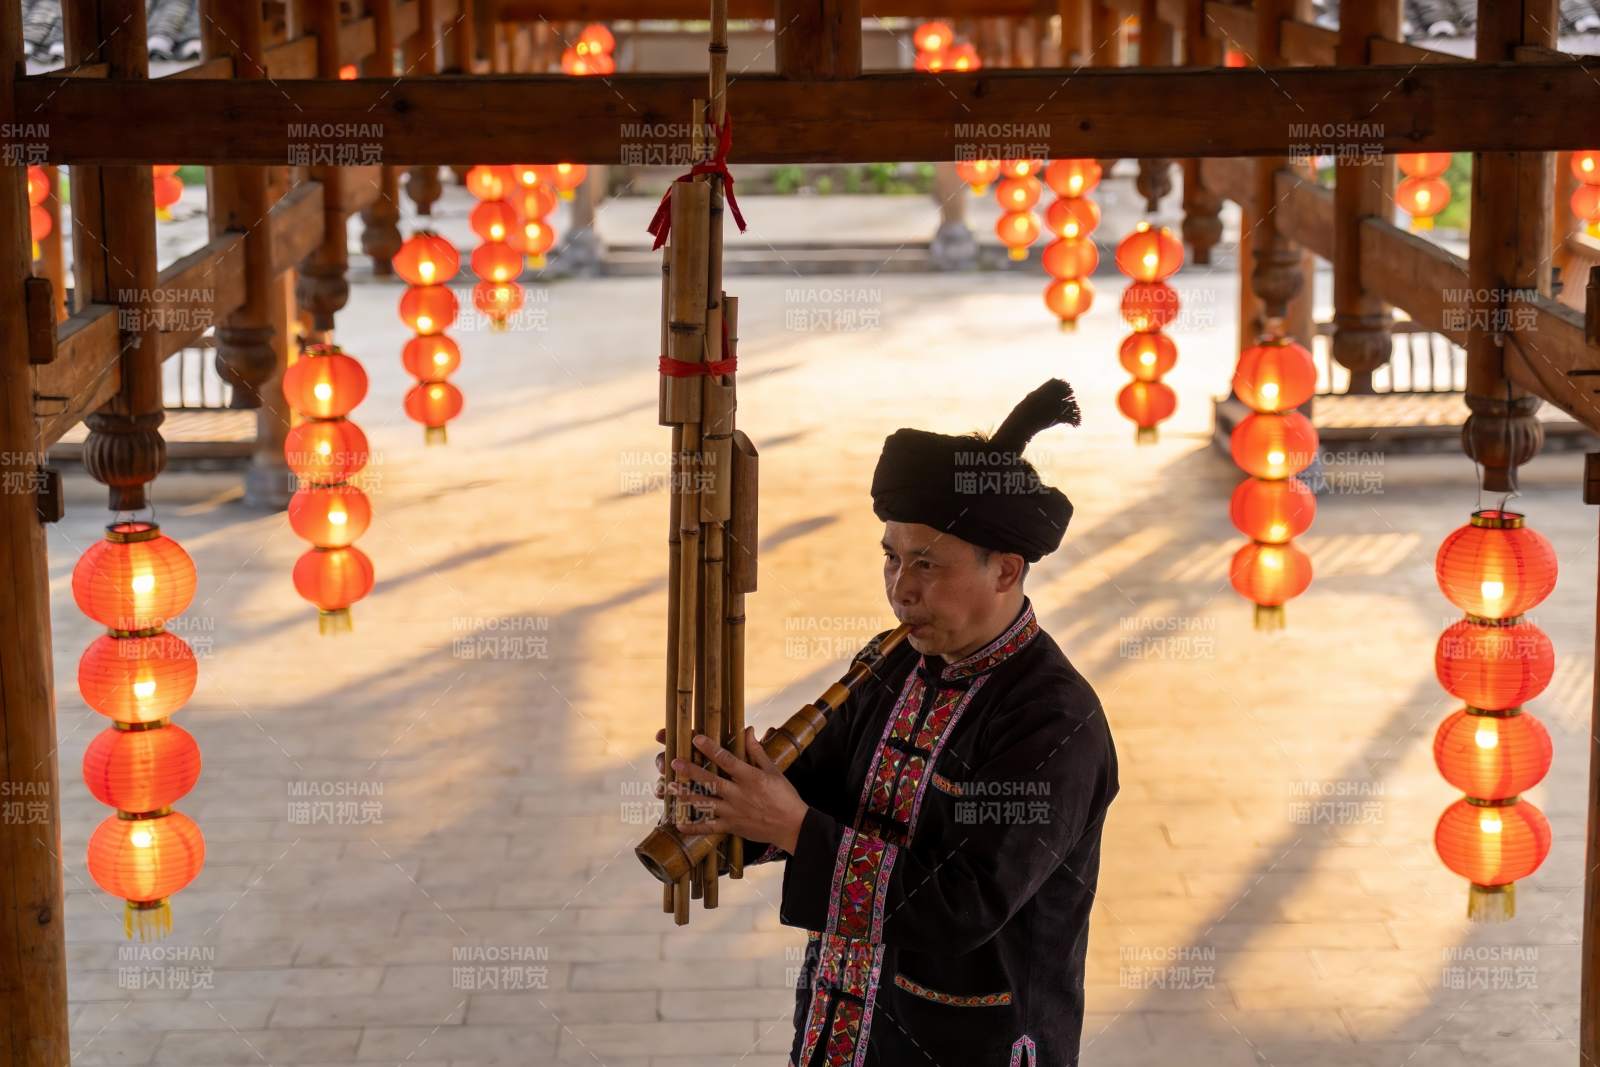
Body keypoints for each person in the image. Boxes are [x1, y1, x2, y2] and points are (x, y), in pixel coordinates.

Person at [657, 379, 1119, 1066]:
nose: (902, 587)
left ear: (1007, 570)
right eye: (891, 556)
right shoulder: (892, 662)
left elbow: (964, 902)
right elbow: (813, 792)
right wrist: (728, 795)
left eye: (928, 562)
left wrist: (789, 825)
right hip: (848, 1030)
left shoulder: (1055, 721)